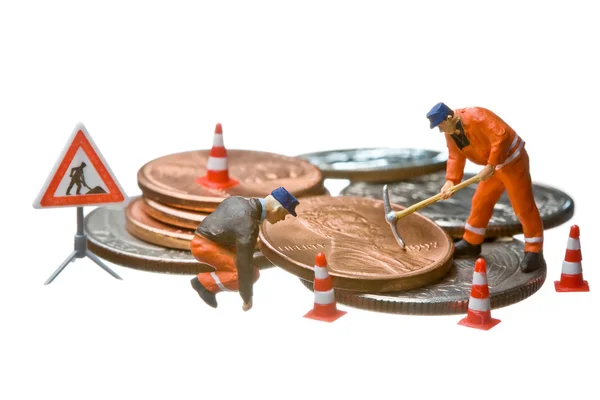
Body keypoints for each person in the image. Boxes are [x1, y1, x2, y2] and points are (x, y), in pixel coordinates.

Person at [426, 102, 545, 272]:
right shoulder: (450, 132)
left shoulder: (476, 115)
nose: (440, 130)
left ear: (449, 117)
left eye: (441, 125)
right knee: (480, 201)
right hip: (493, 168)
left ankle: (534, 250)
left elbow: (501, 135)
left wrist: (490, 165)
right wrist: (451, 180)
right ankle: (472, 242)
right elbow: (455, 157)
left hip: (512, 163)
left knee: (523, 208)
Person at [189, 186, 299, 311]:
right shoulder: (249, 224)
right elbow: (244, 265)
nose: (282, 219)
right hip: (205, 247)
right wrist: (247, 296)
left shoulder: (238, 200)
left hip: (211, 242)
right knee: (251, 275)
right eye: (284, 214)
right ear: (276, 209)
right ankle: (204, 283)